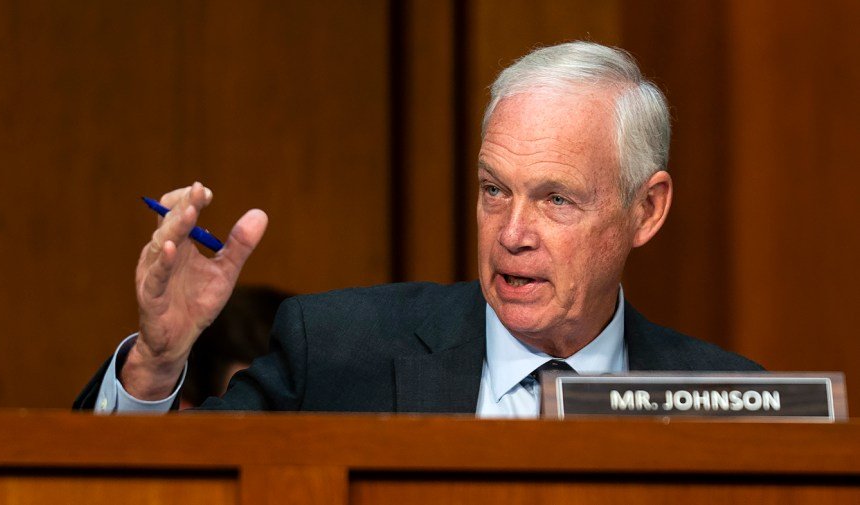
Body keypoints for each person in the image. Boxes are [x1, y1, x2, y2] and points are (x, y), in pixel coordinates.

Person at [75, 41, 761, 417]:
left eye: (556, 199)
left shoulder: (732, 400)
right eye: (494, 190)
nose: (512, 233)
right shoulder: (338, 353)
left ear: (647, 210)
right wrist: (156, 364)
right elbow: (162, 489)